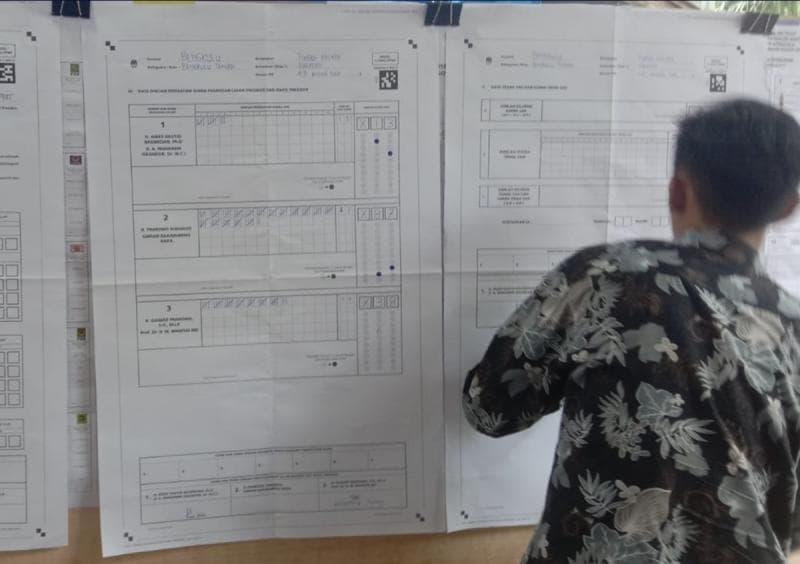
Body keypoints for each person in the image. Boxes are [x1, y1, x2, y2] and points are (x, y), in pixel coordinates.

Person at [462, 98, 800, 563]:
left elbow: (490, 409)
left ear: (677, 191)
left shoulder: (606, 275)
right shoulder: (791, 323)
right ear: (788, 207)